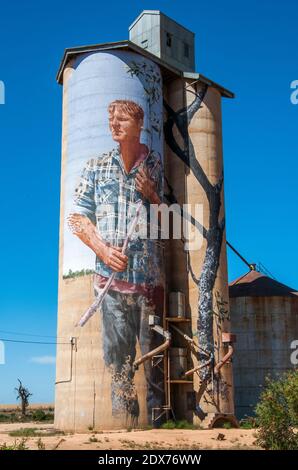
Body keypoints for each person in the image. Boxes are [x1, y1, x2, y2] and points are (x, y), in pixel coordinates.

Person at [68, 99, 164, 423]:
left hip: (148, 286)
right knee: (118, 365)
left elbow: (171, 224)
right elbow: (76, 218)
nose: (114, 125)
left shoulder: (154, 165)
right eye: (111, 120)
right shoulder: (96, 166)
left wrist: (153, 194)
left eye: (121, 119)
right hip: (109, 288)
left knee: (155, 364)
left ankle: (162, 434)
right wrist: (102, 249)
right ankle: (122, 436)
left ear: (138, 124)